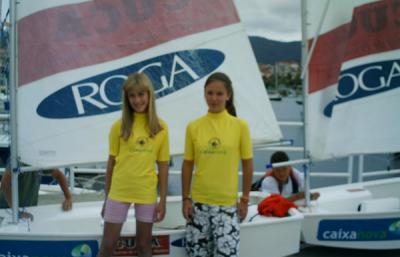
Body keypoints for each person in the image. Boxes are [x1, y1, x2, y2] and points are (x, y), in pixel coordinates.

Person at [181, 72, 254, 257]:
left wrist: (244, 199)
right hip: (198, 206)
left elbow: (247, 164)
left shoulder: (240, 126)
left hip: (227, 207)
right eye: (210, 93)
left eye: (219, 94)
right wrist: (185, 199)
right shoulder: (193, 126)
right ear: (204, 94)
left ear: (228, 95)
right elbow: (188, 165)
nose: (214, 98)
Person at [97, 72, 169, 257]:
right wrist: (106, 199)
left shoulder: (161, 127)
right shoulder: (118, 126)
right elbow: (111, 164)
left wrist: (163, 200)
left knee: (144, 246)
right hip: (119, 191)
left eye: (141, 94)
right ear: (127, 98)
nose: (137, 100)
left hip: (146, 192)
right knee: (107, 246)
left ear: (149, 95)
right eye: (132, 95)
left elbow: (162, 165)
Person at [0, 166, 73, 218]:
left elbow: (59, 175)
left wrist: (68, 197)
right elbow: (4, 184)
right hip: (6, 210)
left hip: (28, 209)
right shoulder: (17, 158)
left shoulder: (38, 160)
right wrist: (16, 212)